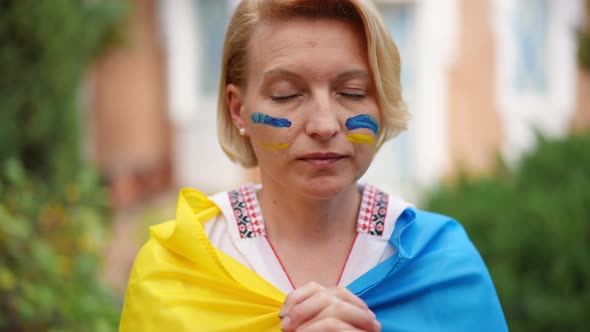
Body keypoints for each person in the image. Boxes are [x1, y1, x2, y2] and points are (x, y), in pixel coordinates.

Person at [119, 0, 508, 331]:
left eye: (352, 92)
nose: (324, 125)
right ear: (239, 109)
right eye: (287, 95)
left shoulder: (443, 267)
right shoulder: (174, 269)